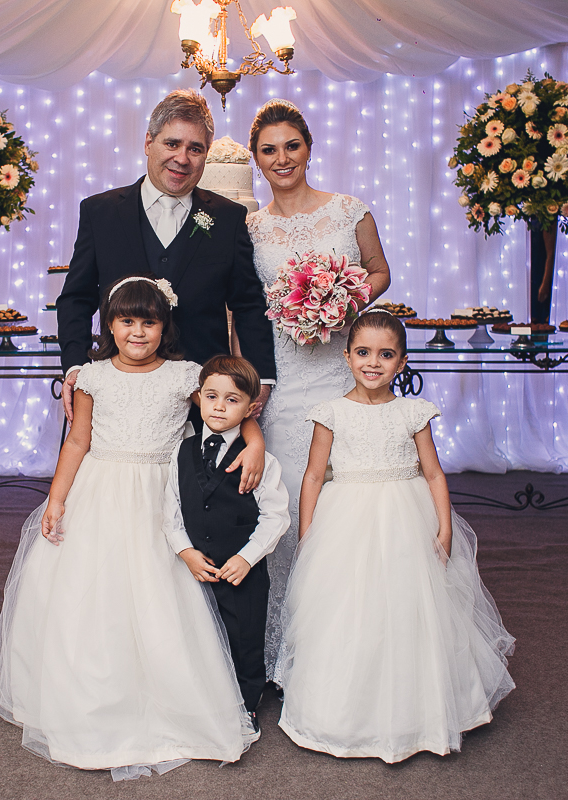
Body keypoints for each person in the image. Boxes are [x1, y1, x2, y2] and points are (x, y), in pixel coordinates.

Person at [0, 276, 255, 781]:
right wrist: (57, 498)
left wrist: (256, 441)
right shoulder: (92, 377)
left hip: (162, 496)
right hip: (102, 490)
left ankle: (170, 699)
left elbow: (231, 410)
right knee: (95, 593)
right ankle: (94, 700)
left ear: (164, 325)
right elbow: (77, 441)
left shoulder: (184, 376)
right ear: (108, 324)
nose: (137, 332)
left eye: (148, 322)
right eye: (126, 320)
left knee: (161, 592)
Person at [274, 309, 515, 763]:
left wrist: (444, 527)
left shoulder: (413, 412)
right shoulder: (330, 413)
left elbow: (434, 473)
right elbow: (312, 476)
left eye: (386, 355)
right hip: (346, 519)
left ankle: (418, 711)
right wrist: (308, 533)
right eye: (363, 352)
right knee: (350, 607)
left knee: (411, 606)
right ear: (346, 356)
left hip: (406, 518)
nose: (373, 362)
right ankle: (342, 715)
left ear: (401, 362)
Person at [57, 89, 278, 490]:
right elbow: (76, 297)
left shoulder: (227, 217)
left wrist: (261, 376)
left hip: (204, 394)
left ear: (206, 155)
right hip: (119, 397)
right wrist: (75, 366)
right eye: (172, 143)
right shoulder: (100, 211)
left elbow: (248, 303)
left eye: (196, 148)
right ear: (148, 142)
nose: (182, 158)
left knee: (202, 511)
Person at [244, 99, 393, 672]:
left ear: (309, 147)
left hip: (339, 372)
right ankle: (290, 648)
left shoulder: (349, 210)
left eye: (292, 146)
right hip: (282, 380)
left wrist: (341, 298)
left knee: (351, 499)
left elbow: (381, 270)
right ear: (257, 159)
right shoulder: (251, 225)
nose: (282, 159)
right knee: (285, 503)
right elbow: (247, 304)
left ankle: (356, 644)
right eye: (269, 150)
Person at [162, 355, 291, 735]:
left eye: (232, 400)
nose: (219, 406)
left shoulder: (261, 460)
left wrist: (246, 559)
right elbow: (170, 510)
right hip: (195, 569)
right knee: (199, 635)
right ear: (198, 397)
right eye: (211, 396)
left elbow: (276, 517)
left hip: (241, 572)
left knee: (243, 638)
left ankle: (247, 704)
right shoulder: (182, 452)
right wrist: (184, 551)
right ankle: (205, 698)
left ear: (251, 408)